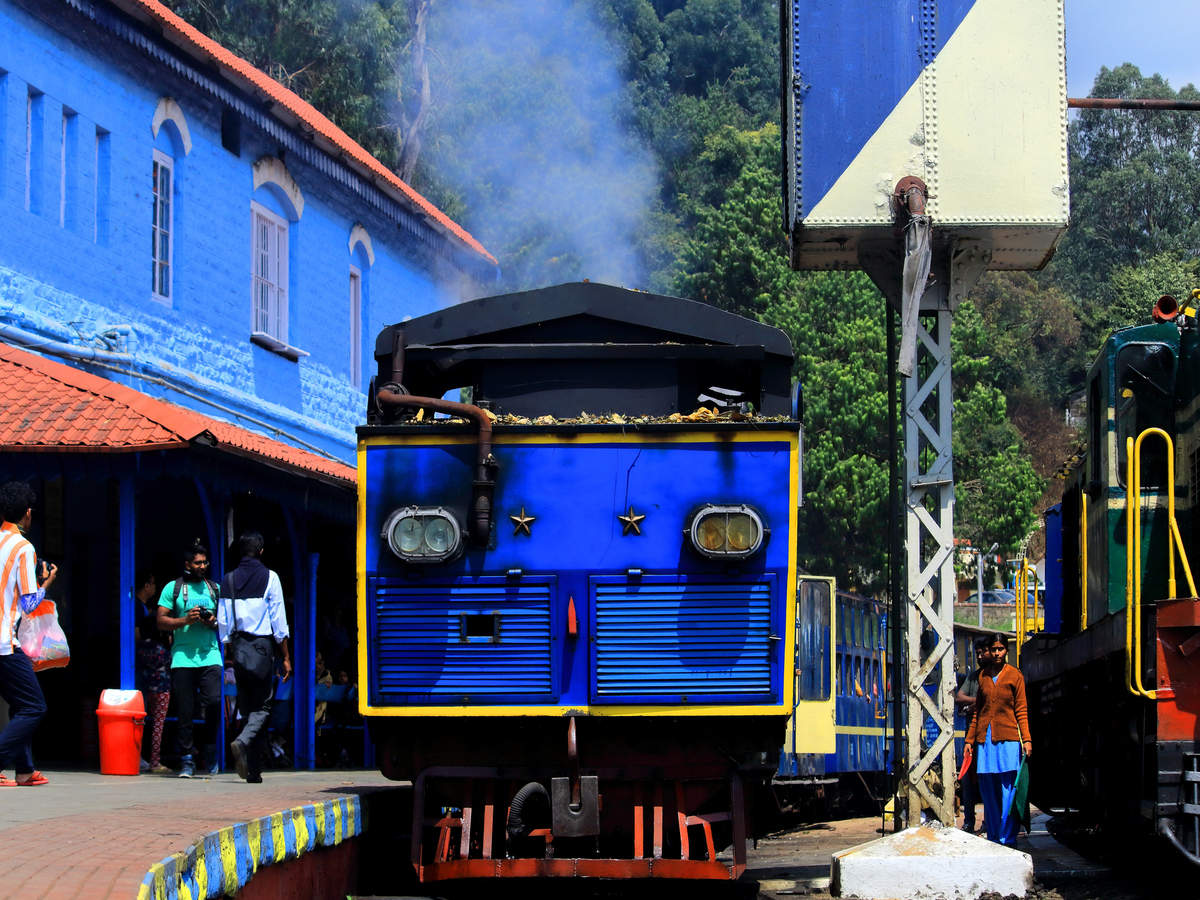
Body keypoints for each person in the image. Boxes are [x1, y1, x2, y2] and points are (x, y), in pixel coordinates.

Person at [218, 531, 291, 783]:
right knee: (264, 706)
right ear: (261, 551)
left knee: (249, 708)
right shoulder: (271, 578)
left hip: (239, 650)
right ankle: (242, 741)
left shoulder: (227, 580)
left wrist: (229, 650)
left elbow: (224, 623)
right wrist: (285, 657)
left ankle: (253, 771)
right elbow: (278, 621)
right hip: (262, 649)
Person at [0, 481, 54, 787]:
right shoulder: (23, 547)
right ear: (28, 514)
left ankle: (24, 769)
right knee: (34, 706)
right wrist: (47, 582)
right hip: (4, 641)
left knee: (21, 704)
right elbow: (28, 602)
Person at [157, 539, 222, 778]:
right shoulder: (173, 588)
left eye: (205, 562)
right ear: (187, 564)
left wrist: (212, 621)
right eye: (197, 563)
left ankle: (210, 748)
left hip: (210, 655)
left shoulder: (215, 588)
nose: (202, 566)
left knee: (214, 703)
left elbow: (225, 624)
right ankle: (186, 760)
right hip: (183, 658)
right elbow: (161, 620)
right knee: (185, 711)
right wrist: (185, 620)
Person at [963, 632, 1032, 846]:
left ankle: (1007, 837)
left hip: (1009, 739)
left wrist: (1027, 740)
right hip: (985, 741)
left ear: (1006, 651)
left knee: (1008, 789)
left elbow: (1021, 709)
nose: (997, 653)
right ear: (989, 651)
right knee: (988, 789)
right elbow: (978, 712)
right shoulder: (982, 677)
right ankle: (993, 837)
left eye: (1000, 649)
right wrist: (969, 740)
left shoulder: (1015, 676)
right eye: (994, 649)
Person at [134, 570, 173, 774]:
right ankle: (153, 760)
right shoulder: (160, 651)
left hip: (144, 681)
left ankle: (137, 755)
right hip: (159, 686)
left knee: (140, 720)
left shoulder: (144, 649)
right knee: (156, 724)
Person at [954, 637, 990, 834]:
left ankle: (988, 821)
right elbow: (959, 697)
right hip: (971, 736)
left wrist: (973, 705)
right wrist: (979, 701)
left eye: (982, 652)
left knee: (987, 780)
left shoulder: (994, 676)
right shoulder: (973, 677)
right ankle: (969, 821)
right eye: (976, 652)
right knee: (968, 779)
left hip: (989, 737)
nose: (979, 656)